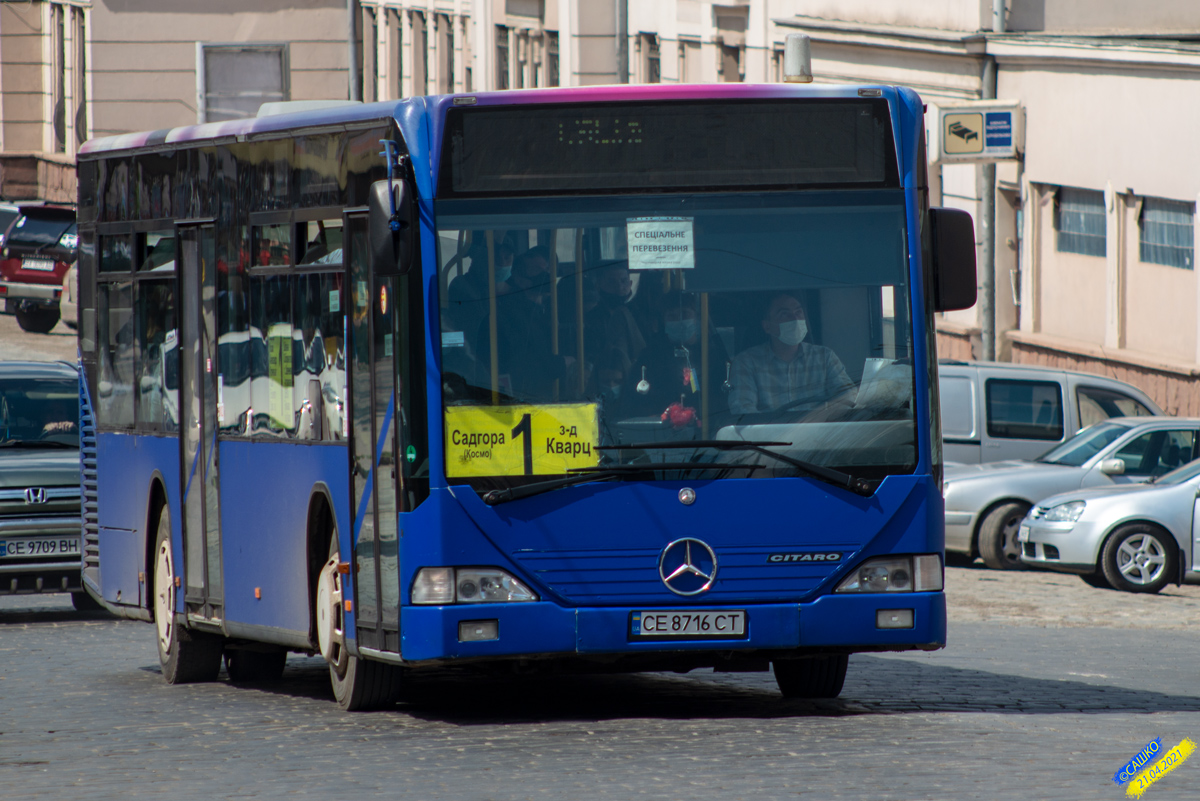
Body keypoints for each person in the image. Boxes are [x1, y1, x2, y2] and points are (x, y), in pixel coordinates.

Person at [728, 292, 854, 415]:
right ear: (767, 326)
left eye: (798, 312)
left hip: (818, 434)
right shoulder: (746, 362)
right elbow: (743, 411)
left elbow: (848, 399)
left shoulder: (825, 357)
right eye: (784, 314)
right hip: (766, 436)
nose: (795, 319)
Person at [623, 293, 728, 419]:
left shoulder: (712, 354)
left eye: (685, 314)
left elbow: (724, 398)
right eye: (672, 316)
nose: (679, 320)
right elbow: (636, 402)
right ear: (663, 321)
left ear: (696, 318)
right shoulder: (650, 357)